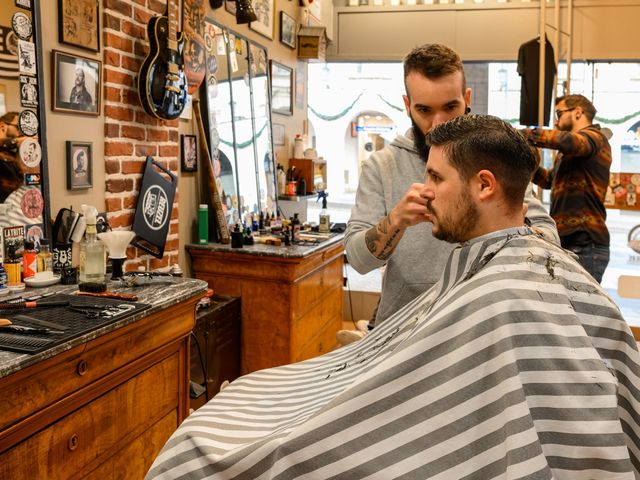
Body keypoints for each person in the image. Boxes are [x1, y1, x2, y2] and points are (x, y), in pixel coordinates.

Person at [146, 115, 640, 479]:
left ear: (485, 185)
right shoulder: (512, 262)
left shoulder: (511, 290)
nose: (424, 190)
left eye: (436, 178)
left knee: (208, 451)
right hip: (406, 342)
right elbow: (360, 257)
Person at [344, 43, 559, 332]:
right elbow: (357, 260)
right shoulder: (382, 167)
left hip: (478, 325)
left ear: (466, 98)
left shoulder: (492, 156)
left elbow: (548, 238)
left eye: (450, 107)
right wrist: (396, 220)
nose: (438, 125)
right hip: (401, 330)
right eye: (424, 110)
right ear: (407, 105)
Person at [521, 94, 611, 283]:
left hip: (586, 241)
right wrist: (527, 164)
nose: (556, 120)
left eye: (559, 113)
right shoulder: (569, 154)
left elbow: (568, 141)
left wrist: (522, 134)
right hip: (570, 239)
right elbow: (549, 181)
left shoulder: (596, 139)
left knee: (582, 309)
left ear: (578, 112)